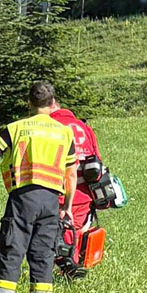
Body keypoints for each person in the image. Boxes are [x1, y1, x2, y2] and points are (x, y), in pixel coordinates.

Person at [0, 82, 78, 293]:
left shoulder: (16, 128)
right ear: (53, 103)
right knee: (44, 254)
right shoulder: (65, 133)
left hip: (23, 198)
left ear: (29, 103)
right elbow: (71, 174)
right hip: (51, 201)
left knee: (12, 248)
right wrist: (67, 208)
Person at [49, 99, 102, 236]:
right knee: (77, 239)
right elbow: (98, 161)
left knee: (58, 244)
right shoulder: (85, 128)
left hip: (58, 198)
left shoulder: (50, 127)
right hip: (84, 196)